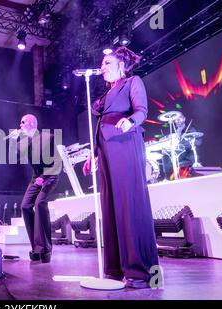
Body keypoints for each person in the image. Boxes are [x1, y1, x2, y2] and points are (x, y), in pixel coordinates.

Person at [83, 46, 159, 289]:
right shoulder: (106, 94)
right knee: (110, 206)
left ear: (121, 65)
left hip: (125, 144)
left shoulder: (132, 82)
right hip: (106, 150)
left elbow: (141, 111)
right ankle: (116, 268)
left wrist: (131, 122)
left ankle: (140, 270)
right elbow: (99, 124)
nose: (102, 66)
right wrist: (93, 153)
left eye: (107, 62)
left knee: (129, 204)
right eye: (102, 63)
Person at [12, 114, 59, 263]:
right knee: (25, 206)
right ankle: (36, 247)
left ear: (32, 124)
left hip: (50, 175)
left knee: (39, 203)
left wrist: (44, 178)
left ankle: (46, 248)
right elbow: (16, 157)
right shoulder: (23, 142)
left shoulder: (49, 137)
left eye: (23, 122)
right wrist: (15, 140)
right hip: (36, 178)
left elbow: (56, 163)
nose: (20, 125)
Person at [161, 114, 202, 180]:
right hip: (178, 154)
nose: (178, 120)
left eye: (180, 118)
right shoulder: (173, 132)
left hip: (187, 154)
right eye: (176, 119)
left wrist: (185, 140)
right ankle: (168, 178)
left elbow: (198, 142)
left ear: (184, 119)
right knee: (165, 155)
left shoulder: (190, 129)